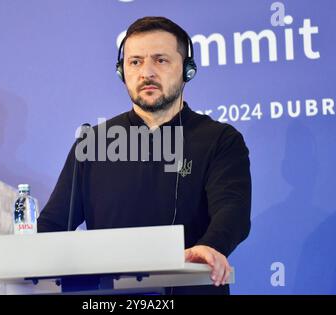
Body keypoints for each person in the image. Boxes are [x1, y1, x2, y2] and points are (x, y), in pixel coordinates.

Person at [37, 16, 251, 295]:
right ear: (121, 71)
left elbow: (232, 212)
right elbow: (53, 224)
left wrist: (211, 246)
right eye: (135, 62)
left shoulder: (220, 140)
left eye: (160, 60)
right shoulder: (93, 142)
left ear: (187, 70)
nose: (146, 72)